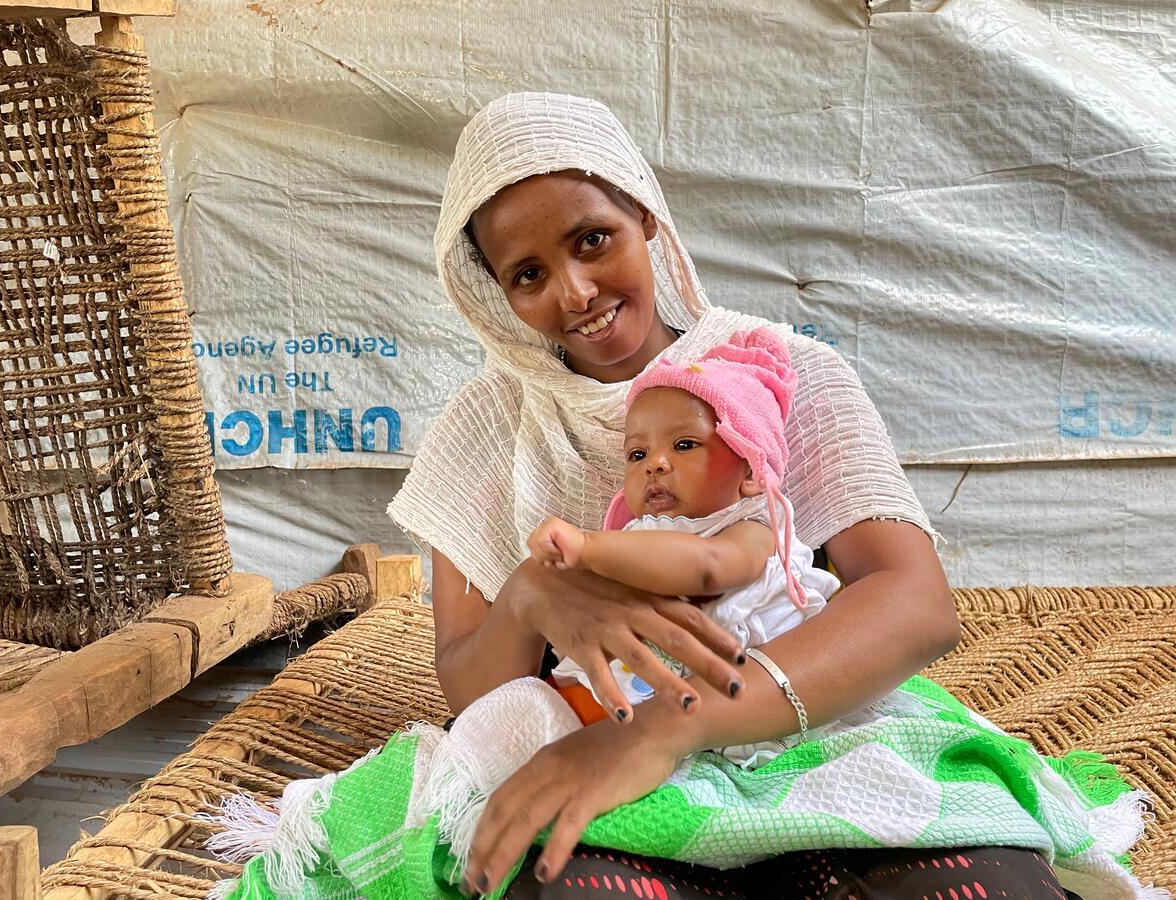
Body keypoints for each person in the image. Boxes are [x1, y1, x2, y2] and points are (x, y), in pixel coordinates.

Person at [385, 92, 1124, 898]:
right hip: (591, 739)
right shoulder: (485, 430)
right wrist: (531, 594)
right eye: (528, 275)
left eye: (592, 239)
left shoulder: (779, 373)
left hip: (808, 727)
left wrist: (672, 726)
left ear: (646, 214)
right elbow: (471, 692)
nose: (575, 292)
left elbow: (914, 604)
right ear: (495, 294)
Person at [529, 326, 842, 745]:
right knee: (540, 712)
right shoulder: (637, 533)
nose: (654, 464)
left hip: (740, 709)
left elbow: (707, 568)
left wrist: (588, 547)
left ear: (751, 471)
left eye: (684, 445)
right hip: (646, 688)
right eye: (637, 454)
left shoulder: (751, 529)